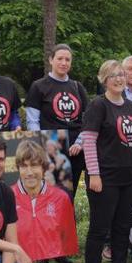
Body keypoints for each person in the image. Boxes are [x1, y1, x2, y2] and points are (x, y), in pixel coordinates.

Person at [82, 60, 132, 263]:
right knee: (99, 229)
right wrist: (95, 174)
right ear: (104, 80)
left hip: (129, 177)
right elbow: (88, 141)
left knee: (122, 227)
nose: (119, 79)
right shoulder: (98, 105)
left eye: (121, 74)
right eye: (113, 76)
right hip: (105, 177)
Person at [25, 44, 89, 196]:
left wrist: (80, 142)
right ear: (51, 60)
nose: (64, 63)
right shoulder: (39, 86)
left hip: (76, 149)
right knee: (51, 193)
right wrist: (41, 145)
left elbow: (87, 119)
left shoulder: (77, 87)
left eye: (67, 59)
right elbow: (32, 121)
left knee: (69, 195)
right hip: (51, 148)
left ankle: (68, 220)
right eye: (60, 58)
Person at [12, 140, 77, 263]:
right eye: (24, 166)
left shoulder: (61, 197)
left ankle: (57, 257)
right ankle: (42, 260)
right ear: (18, 168)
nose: (29, 172)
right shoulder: (8, 196)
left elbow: (66, 231)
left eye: (34, 165)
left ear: (43, 167)